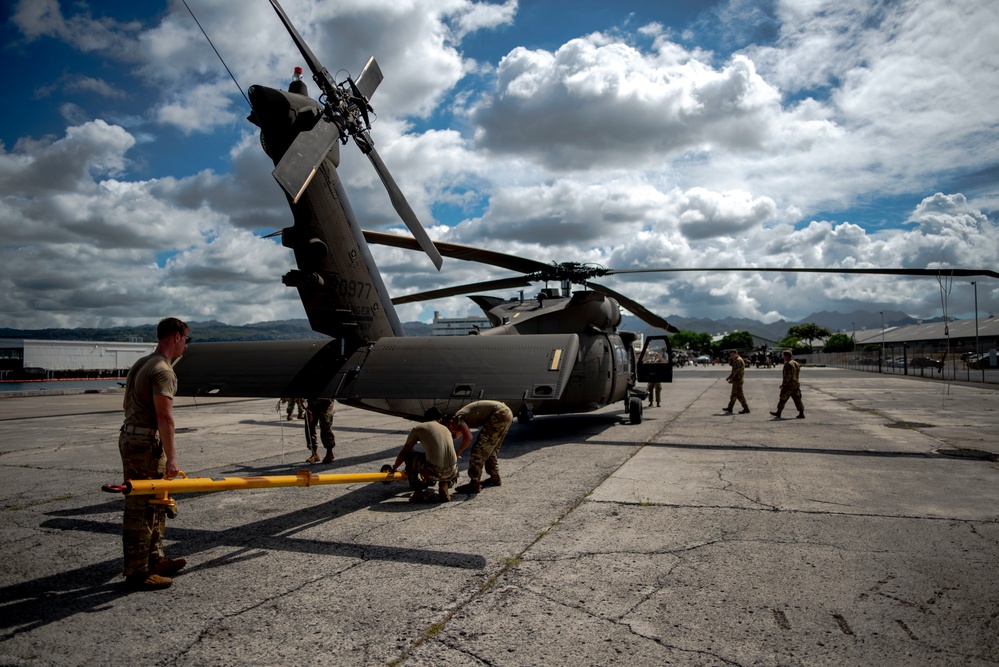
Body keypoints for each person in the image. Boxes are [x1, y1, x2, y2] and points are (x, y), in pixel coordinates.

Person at [118, 317, 190, 591]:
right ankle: (138, 572)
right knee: (141, 507)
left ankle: (154, 560)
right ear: (175, 337)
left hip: (133, 435)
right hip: (146, 442)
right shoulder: (163, 371)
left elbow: (128, 404)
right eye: (186, 339)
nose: (186, 345)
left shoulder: (143, 363)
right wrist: (172, 458)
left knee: (155, 503)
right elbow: (165, 417)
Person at [389, 408, 458, 502]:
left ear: (425, 419)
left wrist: (394, 468)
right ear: (440, 419)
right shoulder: (445, 428)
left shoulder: (418, 428)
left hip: (435, 472)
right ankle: (444, 485)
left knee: (410, 455)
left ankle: (418, 492)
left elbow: (404, 452)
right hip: (452, 473)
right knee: (443, 457)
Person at [450, 400, 514, 494]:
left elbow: (468, 437)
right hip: (506, 412)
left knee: (478, 450)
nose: (452, 432)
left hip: (498, 414)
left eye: (450, 429)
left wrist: (459, 451)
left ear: (450, 422)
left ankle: (474, 483)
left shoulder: (457, 418)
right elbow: (457, 435)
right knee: (490, 449)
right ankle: (495, 477)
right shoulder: (459, 419)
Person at [771, 349, 805, 419]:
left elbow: (787, 376)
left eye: (783, 356)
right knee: (797, 399)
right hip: (796, 384)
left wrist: (783, 385)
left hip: (789, 385)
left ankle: (779, 412)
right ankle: (801, 413)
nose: (783, 357)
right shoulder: (796, 363)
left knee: (783, 398)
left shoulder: (788, 364)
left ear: (786, 356)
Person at [304, 397, 336, 464]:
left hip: (326, 400)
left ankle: (329, 452)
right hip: (312, 400)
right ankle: (314, 453)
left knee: (325, 425)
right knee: (309, 426)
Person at [722, 349, 750, 414]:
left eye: (733, 354)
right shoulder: (736, 360)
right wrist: (731, 358)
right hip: (737, 380)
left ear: (736, 353)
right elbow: (731, 365)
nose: (732, 356)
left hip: (738, 380)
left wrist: (730, 378)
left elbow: (735, 371)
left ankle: (746, 408)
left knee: (739, 395)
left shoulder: (738, 361)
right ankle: (730, 407)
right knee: (734, 395)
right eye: (731, 355)